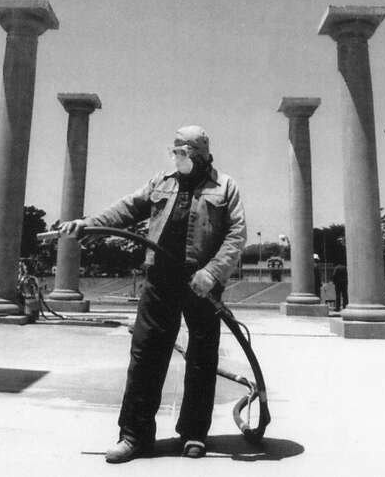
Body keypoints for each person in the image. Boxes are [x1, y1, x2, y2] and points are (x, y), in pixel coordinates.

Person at [59, 125, 246, 464]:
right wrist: (87, 223)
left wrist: (211, 272)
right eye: (175, 150)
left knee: (202, 357)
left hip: (202, 283)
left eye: (185, 151)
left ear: (202, 154)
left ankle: (193, 433)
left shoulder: (225, 186)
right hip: (161, 278)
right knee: (146, 354)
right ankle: (134, 435)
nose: (178, 157)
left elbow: (236, 236)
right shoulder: (162, 182)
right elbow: (127, 208)